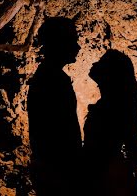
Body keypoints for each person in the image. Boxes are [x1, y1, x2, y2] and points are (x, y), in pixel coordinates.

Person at [27, 17, 83, 196]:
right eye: (72, 41)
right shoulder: (54, 80)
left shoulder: (46, 76)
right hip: (58, 171)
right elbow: (62, 130)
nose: (78, 47)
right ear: (59, 44)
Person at [82, 49, 137, 196]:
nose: (94, 64)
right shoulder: (115, 104)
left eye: (101, 62)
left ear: (111, 74)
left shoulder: (111, 107)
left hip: (106, 176)